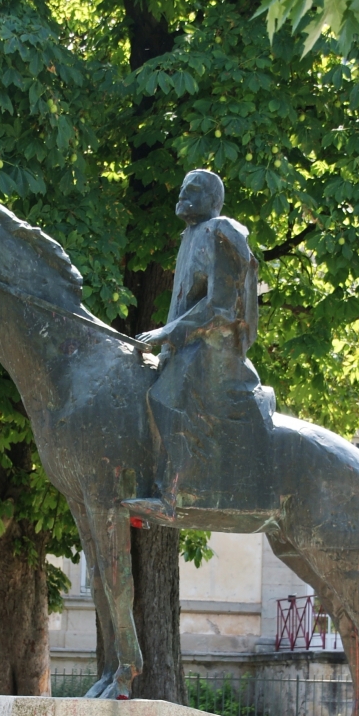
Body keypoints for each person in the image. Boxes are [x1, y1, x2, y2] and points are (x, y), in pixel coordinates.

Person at [124, 169, 274, 522]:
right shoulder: (191, 235)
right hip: (191, 342)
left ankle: (170, 494)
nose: (182, 195)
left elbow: (219, 306)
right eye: (182, 188)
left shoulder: (221, 231)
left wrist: (165, 333)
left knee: (164, 397)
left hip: (214, 344)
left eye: (193, 190)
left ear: (213, 201)